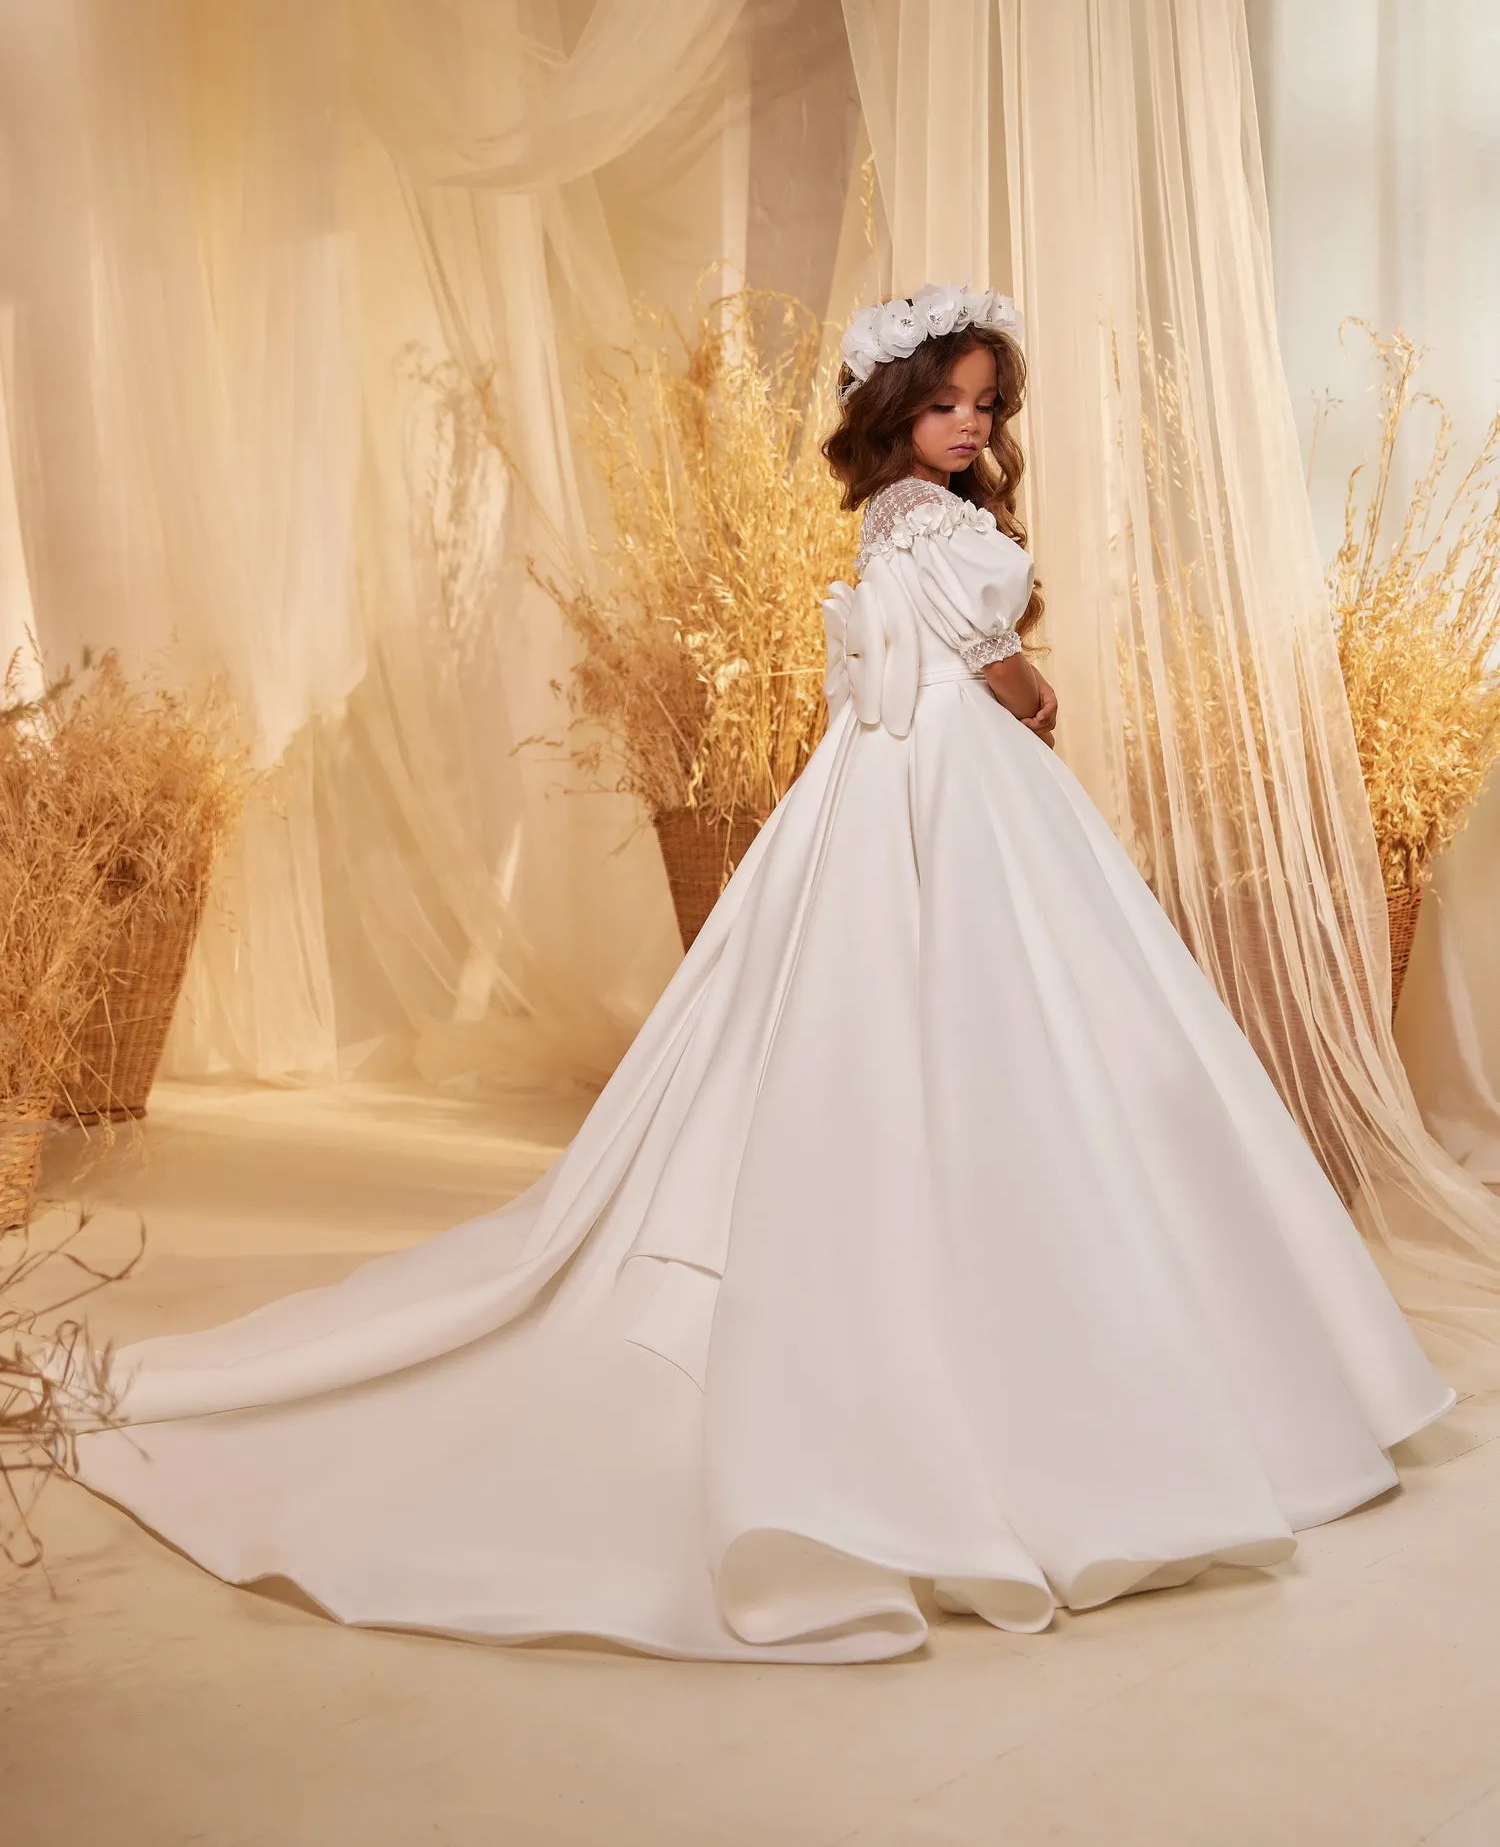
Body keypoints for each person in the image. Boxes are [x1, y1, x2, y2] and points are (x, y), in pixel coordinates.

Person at [62, 285, 1453, 1664]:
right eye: (946, 403)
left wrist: (1002, 677)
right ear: (897, 413)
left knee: (970, 1020)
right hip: (945, 788)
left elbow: (928, 646)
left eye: (983, 405)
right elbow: (984, 656)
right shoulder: (924, 520)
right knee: (1001, 1028)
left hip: (908, 783)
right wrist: (1028, 686)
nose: (967, 424)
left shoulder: (901, 514)